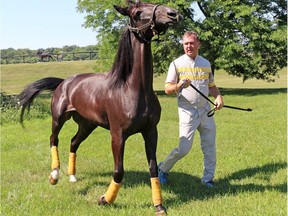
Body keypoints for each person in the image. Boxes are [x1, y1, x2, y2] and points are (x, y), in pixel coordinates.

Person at [158, 31, 224, 187]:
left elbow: (211, 85)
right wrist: (180, 85)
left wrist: (218, 97)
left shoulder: (206, 63)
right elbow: (167, 88)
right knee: (184, 149)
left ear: (198, 44)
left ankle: (207, 179)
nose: (189, 46)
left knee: (209, 147)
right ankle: (163, 168)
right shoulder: (176, 64)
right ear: (183, 44)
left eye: (192, 43)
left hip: (205, 111)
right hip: (187, 112)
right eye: (186, 43)